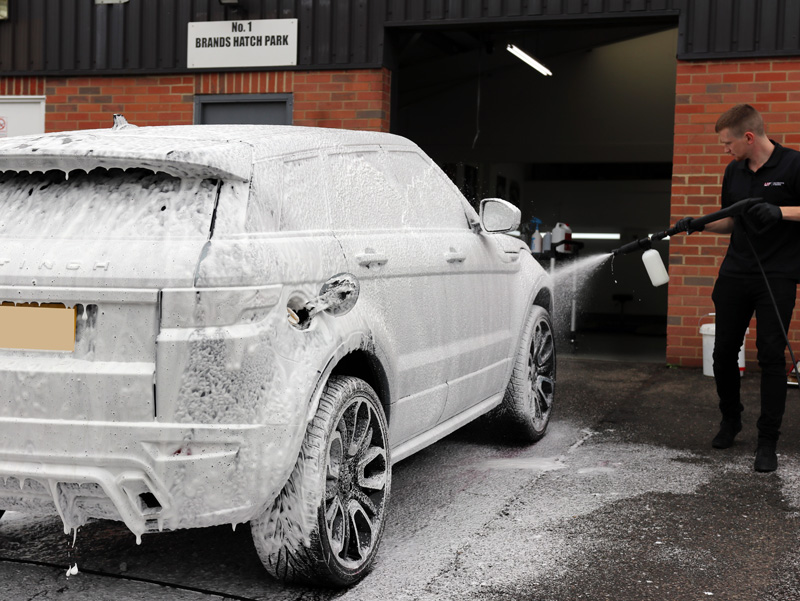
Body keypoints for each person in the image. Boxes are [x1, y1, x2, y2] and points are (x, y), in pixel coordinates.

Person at [673, 103, 800, 473]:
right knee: (724, 352)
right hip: (735, 273)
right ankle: (731, 420)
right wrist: (698, 225)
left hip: (776, 275)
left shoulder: (793, 165)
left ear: (748, 137)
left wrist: (781, 212)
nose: (724, 150)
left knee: (771, 355)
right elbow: (731, 221)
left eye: (728, 143)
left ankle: (767, 441)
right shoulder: (734, 171)